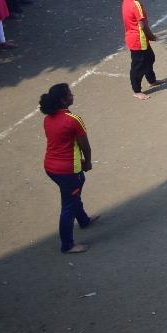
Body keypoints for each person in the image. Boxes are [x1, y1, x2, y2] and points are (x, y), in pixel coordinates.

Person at [40, 83, 97, 254]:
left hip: (51, 167)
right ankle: (67, 245)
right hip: (68, 170)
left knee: (75, 190)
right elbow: (85, 146)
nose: (73, 95)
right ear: (63, 100)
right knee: (68, 205)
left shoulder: (47, 119)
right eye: (70, 94)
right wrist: (88, 162)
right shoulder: (73, 120)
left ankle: (84, 220)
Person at [122, 0, 164, 101]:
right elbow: (142, 25)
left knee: (150, 58)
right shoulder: (136, 5)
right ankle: (137, 91)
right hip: (138, 40)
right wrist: (151, 36)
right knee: (138, 66)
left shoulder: (126, 1)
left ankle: (152, 80)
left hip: (136, 38)